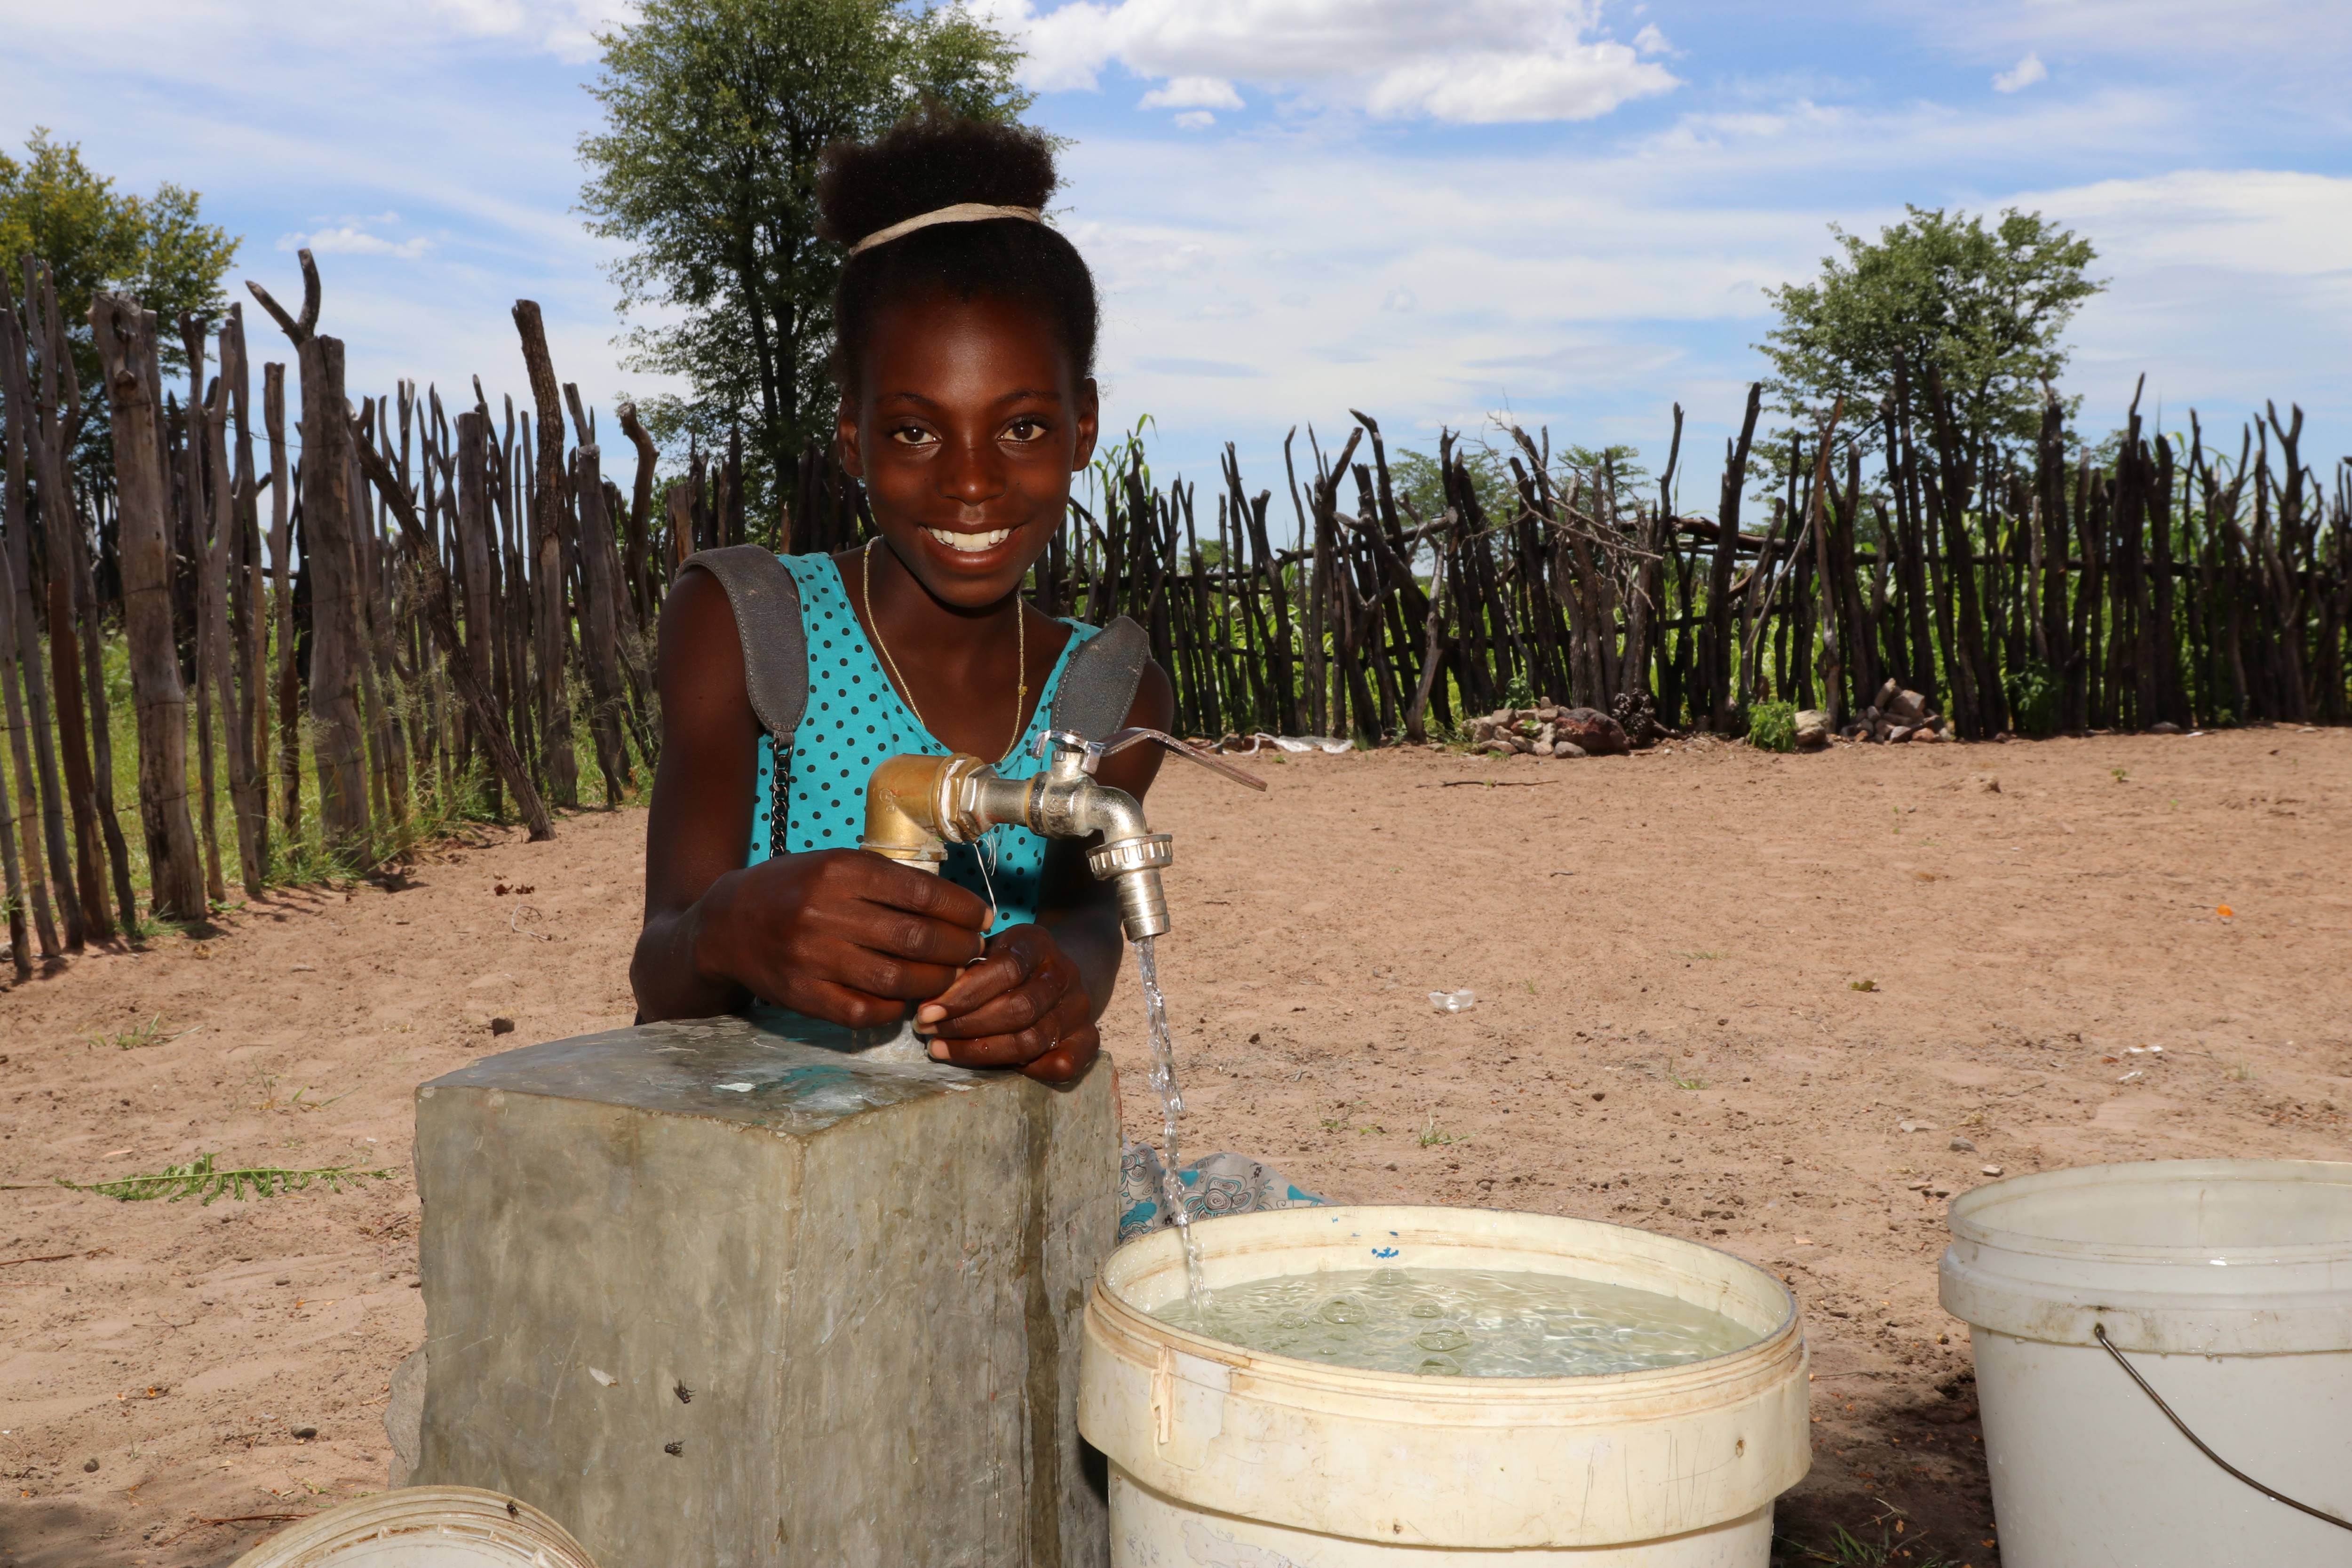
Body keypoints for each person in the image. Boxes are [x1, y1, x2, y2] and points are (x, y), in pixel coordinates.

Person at [632, 109, 1318, 1235]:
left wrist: (1051, 984)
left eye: (1021, 429)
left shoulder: (1108, 692)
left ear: (1084, 428)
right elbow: (661, 967)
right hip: (755, 1189)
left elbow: (1090, 933)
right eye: (913, 433)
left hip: (991, 1181)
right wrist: (728, 929)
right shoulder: (751, 626)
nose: (969, 484)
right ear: (851, 437)